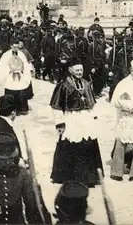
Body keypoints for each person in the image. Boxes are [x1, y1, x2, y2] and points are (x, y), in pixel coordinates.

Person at [50, 57, 104, 187]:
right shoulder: (64, 86)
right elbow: (56, 107)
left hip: (85, 118)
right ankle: (71, 177)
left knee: (88, 143)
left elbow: (92, 104)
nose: (80, 72)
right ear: (70, 70)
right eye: (77, 70)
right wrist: (60, 123)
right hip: (71, 118)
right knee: (71, 144)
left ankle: (89, 178)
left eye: (81, 70)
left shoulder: (86, 83)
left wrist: (94, 117)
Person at [0, 39, 32, 115]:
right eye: (14, 47)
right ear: (11, 46)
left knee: (20, 91)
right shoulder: (6, 55)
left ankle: (21, 109)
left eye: (17, 47)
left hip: (19, 76)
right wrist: (9, 70)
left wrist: (23, 70)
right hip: (10, 76)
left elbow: (25, 65)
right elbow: (2, 66)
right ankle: (10, 109)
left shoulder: (21, 54)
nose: (15, 49)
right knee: (11, 90)